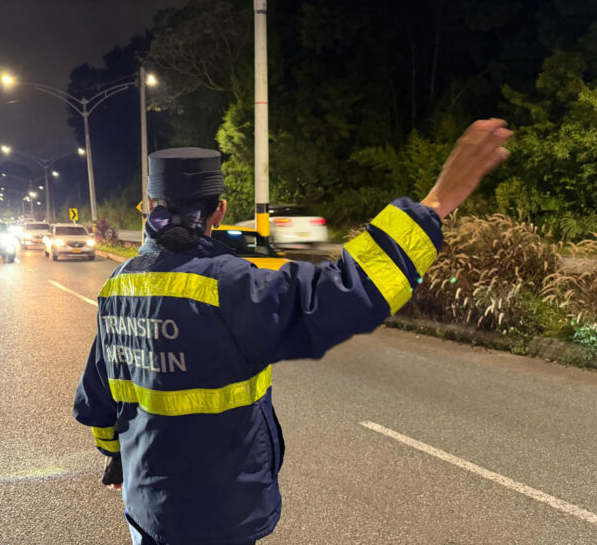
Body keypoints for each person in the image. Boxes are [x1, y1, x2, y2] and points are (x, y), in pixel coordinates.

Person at [73, 119, 513, 545]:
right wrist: (434, 204)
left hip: (146, 511)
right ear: (219, 210)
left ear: (151, 205)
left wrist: (116, 458)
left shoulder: (118, 287)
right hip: (216, 519)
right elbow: (344, 292)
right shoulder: (229, 286)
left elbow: (98, 400)